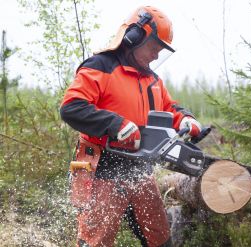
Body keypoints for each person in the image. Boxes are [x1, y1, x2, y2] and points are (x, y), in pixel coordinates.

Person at [60, 5, 202, 247]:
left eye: (161, 50)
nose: (157, 55)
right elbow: (72, 107)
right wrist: (115, 124)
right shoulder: (100, 66)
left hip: (139, 168)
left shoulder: (152, 79)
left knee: (159, 237)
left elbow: (169, 108)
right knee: (97, 241)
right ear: (134, 36)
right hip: (102, 165)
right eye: (154, 47)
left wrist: (185, 118)